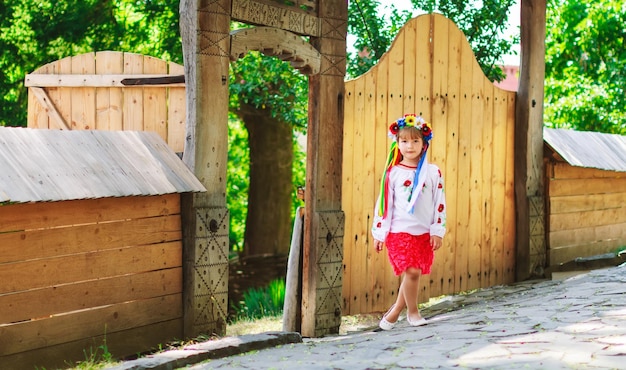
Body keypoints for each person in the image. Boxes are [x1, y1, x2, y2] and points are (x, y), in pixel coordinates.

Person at [371, 113, 447, 330]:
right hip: (399, 232)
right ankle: (412, 313)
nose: (410, 146)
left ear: (424, 144)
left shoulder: (433, 173)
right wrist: (379, 233)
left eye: (415, 141)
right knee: (412, 272)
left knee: (413, 274)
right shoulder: (393, 173)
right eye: (404, 141)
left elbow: (439, 202)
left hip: (423, 233)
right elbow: (383, 206)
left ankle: (394, 311)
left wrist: (437, 230)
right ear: (397, 144)